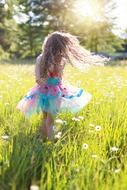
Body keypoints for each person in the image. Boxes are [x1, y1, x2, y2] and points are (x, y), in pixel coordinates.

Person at [17, 31, 107, 141]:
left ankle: (44, 139)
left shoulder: (41, 58)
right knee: (51, 120)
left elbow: (38, 79)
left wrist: (46, 81)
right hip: (55, 92)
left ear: (47, 44)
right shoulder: (61, 60)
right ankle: (50, 142)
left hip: (42, 91)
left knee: (45, 117)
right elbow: (59, 78)